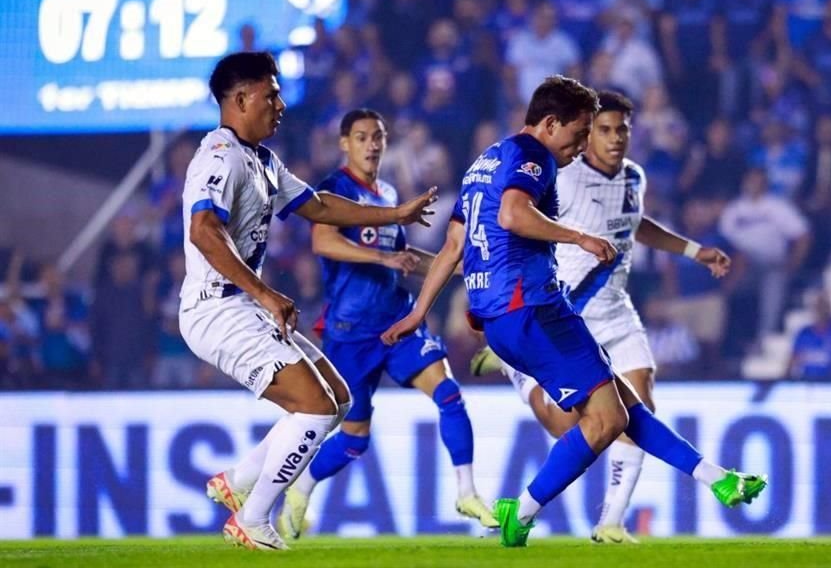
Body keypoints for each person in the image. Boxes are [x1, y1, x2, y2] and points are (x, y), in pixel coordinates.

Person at [382, 76, 767, 547]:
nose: (582, 144)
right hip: (533, 311)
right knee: (606, 421)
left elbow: (454, 244)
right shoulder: (533, 156)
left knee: (623, 407)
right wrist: (578, 237)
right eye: (580, 132)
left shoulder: (486, 161)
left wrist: (420, 311)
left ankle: (718, 479)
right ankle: (520, 511)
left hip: (510, 318)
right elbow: (512, 215)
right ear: (549, 123)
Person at [179, 52, 436, 551]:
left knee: (337, 399)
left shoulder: (263, 160)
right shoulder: (218, 155)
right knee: (316, 408)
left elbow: (319, 205)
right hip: (217, 308)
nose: (280, 105)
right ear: (240, 99)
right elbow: (204, 231)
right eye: (270, 94)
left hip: (242, 303)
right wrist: (265, 292)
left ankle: (237, 482)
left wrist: (395, 213)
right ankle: (251, 519)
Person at [468, 90, 736, 543]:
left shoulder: (634, 177)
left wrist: (694, 250)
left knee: (634, 406)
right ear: (587, 134)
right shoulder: (561, 176)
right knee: (574, 427)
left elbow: (635, 223)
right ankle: (516, 371)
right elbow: (510, 219)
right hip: (558, 306)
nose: (615, 139)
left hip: (615, 311)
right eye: (604, 130)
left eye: (622, 129)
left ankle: (611, 521)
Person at [276, 110, 496, 539]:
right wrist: (383, 258)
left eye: (377, 137)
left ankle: (467, 491)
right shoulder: (334, 189)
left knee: (449, 395)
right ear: (345, 143)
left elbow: (405, 258)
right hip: (350, 332)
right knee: (354, 439)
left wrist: (454, 267)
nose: (372, 145)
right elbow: (323, 240)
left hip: (398, 320)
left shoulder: (389, 193)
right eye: (361, 137)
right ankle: (300, 486)